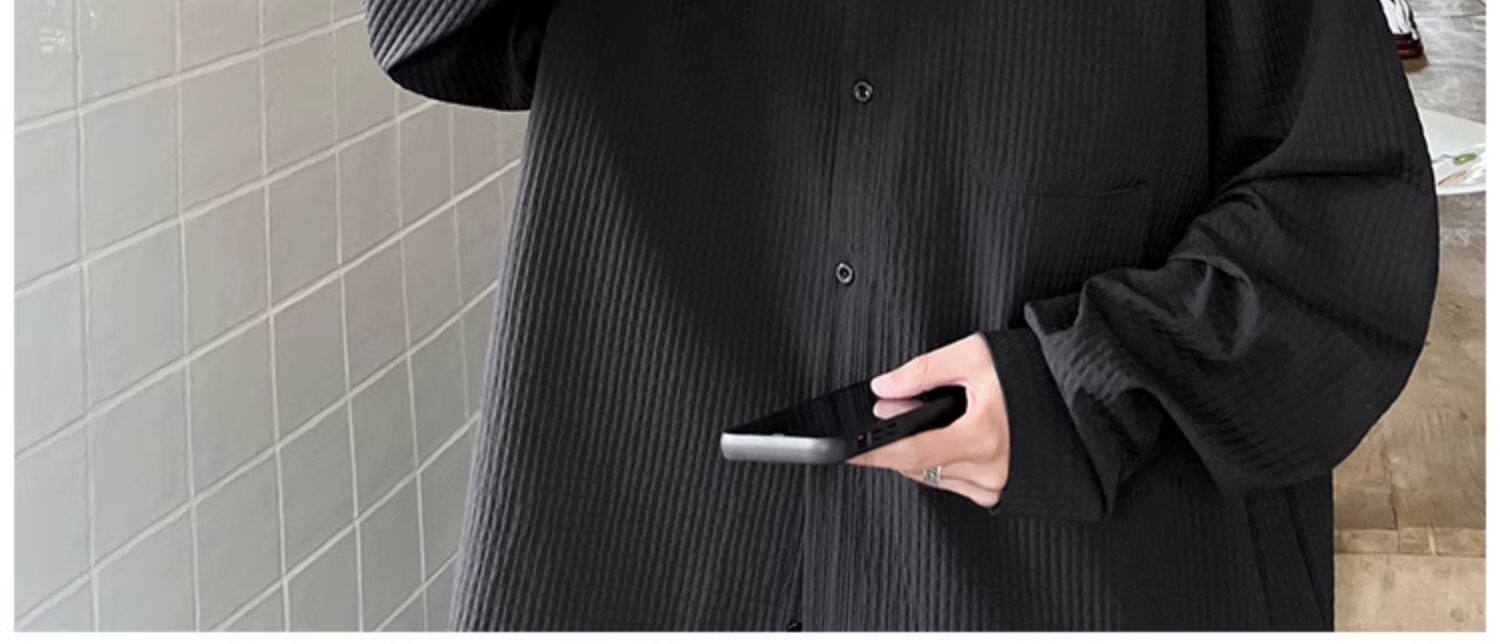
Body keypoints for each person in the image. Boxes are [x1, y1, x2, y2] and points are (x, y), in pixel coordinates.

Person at [364, 0, 1439, 631]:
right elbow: (426, 29)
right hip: (654, 537)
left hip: (1057, 569)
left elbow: (1346, 217)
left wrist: (1088, 384)